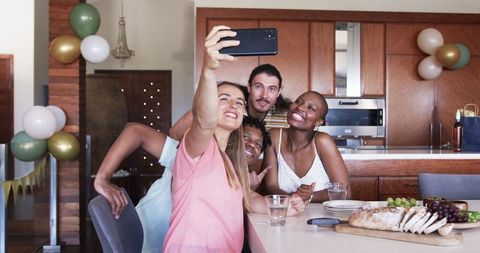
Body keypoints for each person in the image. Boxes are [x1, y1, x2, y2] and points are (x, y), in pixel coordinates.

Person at [162, 25, 304, 253]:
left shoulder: (228, 159)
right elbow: (203, 121)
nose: (233, 105)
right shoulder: (198, 147)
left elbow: (249, 199)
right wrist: (208, 71)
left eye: (239, 102)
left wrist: (285, 205)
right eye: (224, 98)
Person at [262, 91, 351, 203]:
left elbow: (345, 192)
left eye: (311, 108)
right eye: (298, 102)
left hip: (323, 218)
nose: (300, 108)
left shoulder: (323, 141)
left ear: (318, 122)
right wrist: (292, 198)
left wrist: (310, 196)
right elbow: (271, 186)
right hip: (288, 215)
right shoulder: (274, 136)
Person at [169, 63, 291, 140]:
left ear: (279, 92)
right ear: (249, 87)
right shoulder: (229, 107)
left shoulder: (287, 117)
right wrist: (208, 104)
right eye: (258, 87)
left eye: (272, 89)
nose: (264, 95)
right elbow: (175, 133)